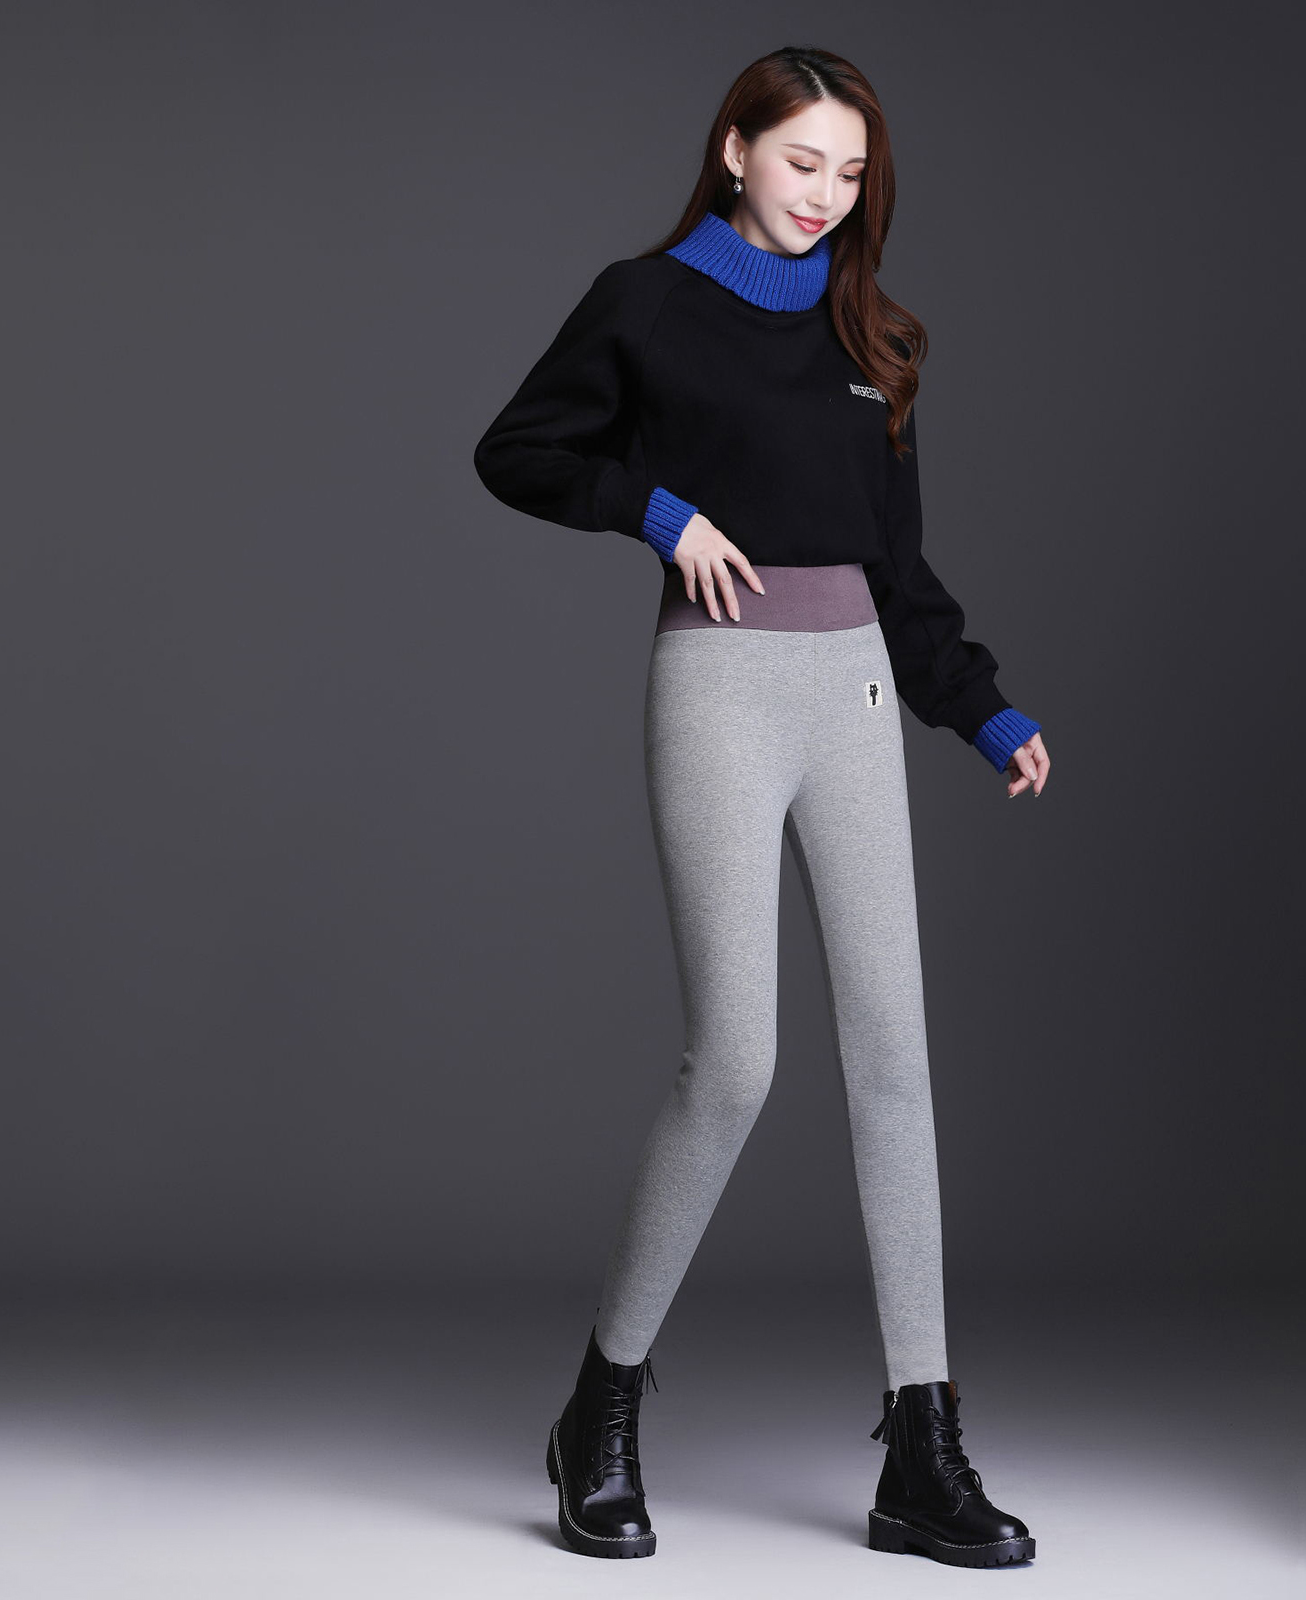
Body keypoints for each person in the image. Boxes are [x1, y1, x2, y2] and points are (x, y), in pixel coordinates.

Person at [472, 43, 1048, 1569]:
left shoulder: (874, 336)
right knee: (735, 1061)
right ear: (734, 149)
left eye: (852, 174)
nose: (827, 196)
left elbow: (898, 568)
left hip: (852, 688)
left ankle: (920, 1448)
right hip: (721, 688)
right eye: (804, 163)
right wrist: (655, 511)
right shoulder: (645, 302)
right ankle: (600, 1406)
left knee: (895, 1062)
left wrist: (981, 707)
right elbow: (517, 450)